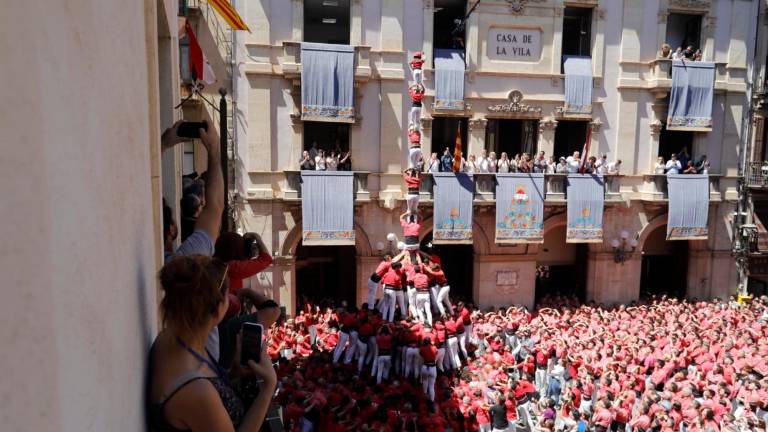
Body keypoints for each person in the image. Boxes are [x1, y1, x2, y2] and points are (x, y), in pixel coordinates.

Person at [149, 256, 277, 431]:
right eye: (228, 294)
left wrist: (232, 373)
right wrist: (268, 388)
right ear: (218, 309)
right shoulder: (198, 392)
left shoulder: (169, 338)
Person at [161, 114, 224, 263]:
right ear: (172, 229)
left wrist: (163, 144)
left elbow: (215, 206)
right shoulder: (179, 267)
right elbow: (215, 207)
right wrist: (214, 150)